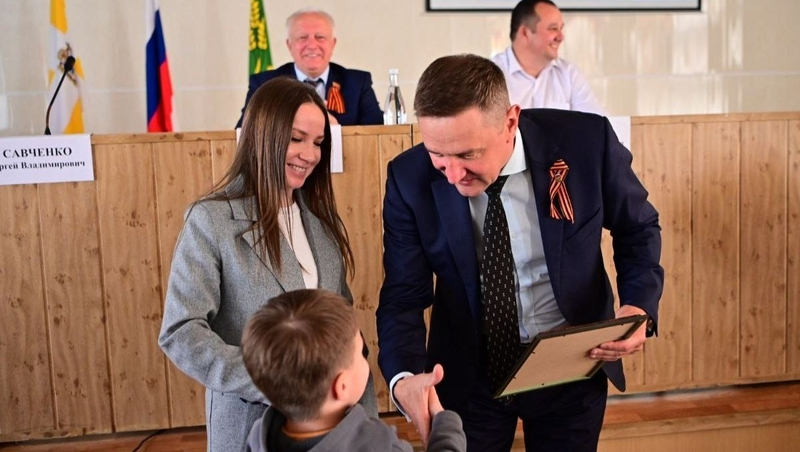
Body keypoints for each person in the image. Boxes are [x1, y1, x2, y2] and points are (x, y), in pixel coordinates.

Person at [377, 54, 663, 452]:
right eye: (437, 155)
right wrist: (404, 378)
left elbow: (637, 227)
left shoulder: (585, 142)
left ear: (510, 122)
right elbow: (403, 294)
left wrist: (638, 306)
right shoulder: (408, 178)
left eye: (468, 155)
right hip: (468, 373)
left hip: (572, 360)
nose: (453, 175)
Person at [159, 77, 376, 452]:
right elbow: (181, 331)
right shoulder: (210, 220)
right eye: (296, 138)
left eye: (318, 143)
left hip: (335, 433)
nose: (310, 154)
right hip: (251, 428)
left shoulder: (322, 224)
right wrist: (275, 383)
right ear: (263, 136)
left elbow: (345, 331)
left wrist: (366, 423)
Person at [241, 289, 467, 452]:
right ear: (341, 386)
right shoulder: (378, 444)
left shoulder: (260, 437)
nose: (364, 357)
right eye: (361, 352)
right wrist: (446, 427)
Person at [236, 8, 383, 128]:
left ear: (333, 44)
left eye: (320, 37)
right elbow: (243, 133)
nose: (312, 45)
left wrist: (336, 130)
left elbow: (378, 133)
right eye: (303, 38)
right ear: (289, 45)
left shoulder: (357, 83)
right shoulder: (265, 83)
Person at [491, 0, 605, 115]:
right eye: (553, 29)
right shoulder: (489, 76)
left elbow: (595, 121)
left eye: (561, 29)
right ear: (525, 33)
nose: (561, 37)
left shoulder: (569, 74)